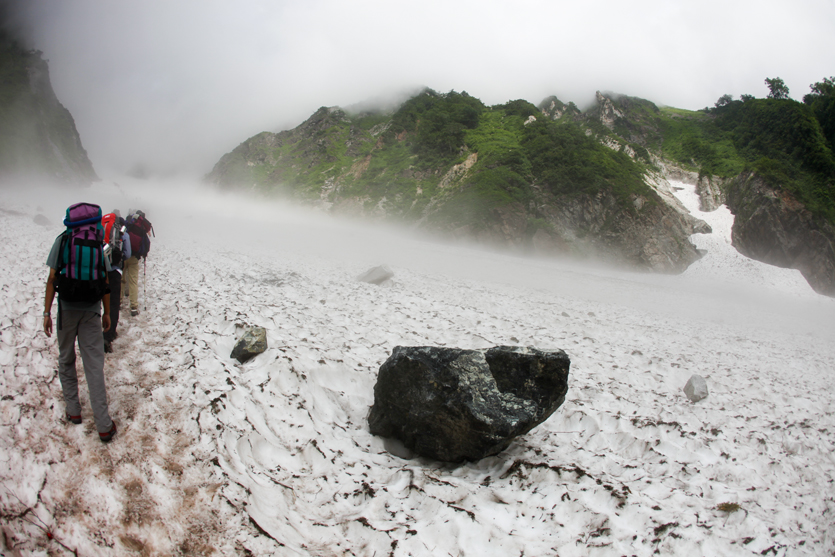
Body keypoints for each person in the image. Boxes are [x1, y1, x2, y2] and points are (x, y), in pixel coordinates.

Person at [43, 203, 117, 443]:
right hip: (92, 311)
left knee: (66, 358)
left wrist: (46, 312)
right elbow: (104, 279)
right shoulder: (97, 243)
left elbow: (52, 278)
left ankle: (74, 411)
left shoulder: (64, 240)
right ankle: (104, 425)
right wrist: (106, 313)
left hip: (67, 309)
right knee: (94, 365)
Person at [102, 209, 130, 353]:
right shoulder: (122, 232)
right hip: (115, 271)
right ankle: (109, 335)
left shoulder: (101, 228)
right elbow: (128, 253)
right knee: (113, 304)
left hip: (100, 270)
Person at [122, 209, 152, 317]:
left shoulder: (129, 223)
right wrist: (143, 255)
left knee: (122, 279)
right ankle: (133, 307)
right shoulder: (142, 227)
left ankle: (119, 301)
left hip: (124, 255)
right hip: (134, 257)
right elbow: (147, 243)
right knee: (133, 281)